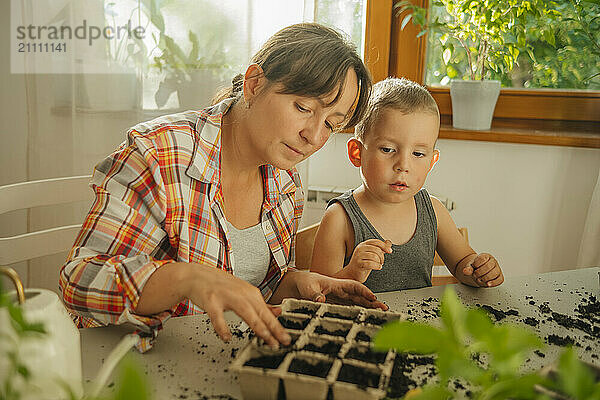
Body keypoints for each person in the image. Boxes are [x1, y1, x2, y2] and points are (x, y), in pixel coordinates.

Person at [59, 23, 387, 351]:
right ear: (254, 84)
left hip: (213, 357)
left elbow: (258, 288)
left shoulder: (286, 181)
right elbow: (80, 280)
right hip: (122, 360)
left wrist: (296, 283)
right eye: (303, 108)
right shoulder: (158, 154)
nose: (314, 136)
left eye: (331, 124)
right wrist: (186, 278)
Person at [310, 77, 504, 292]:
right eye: (387, 150)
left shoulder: (433, 211)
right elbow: (318, 293)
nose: (403, 165)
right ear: (357, 153)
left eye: (418, 154)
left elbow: (462, 263)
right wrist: (352, 274)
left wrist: (478, 269)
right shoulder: (339, 218)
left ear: (431, 162)